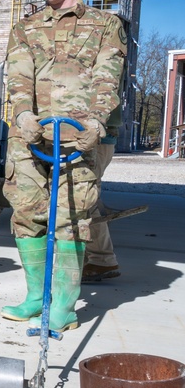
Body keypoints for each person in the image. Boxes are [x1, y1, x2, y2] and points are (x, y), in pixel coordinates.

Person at [0, 0, 126, 332]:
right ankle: (37, 298)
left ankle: (64, 309)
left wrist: (98, 124)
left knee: (72, 218)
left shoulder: (106, 24)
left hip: (80, 137)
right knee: (26, 214)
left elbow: (109, 76)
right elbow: (18, 77)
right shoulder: (26, 27)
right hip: (30, 137)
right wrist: (23, 115)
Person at [82, 82, 127, 282]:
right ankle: (89, 258)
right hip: (95, 136)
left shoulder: (101, 57)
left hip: (94, 137)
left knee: (85, 200)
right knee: (87, 197)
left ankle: (102, 260)